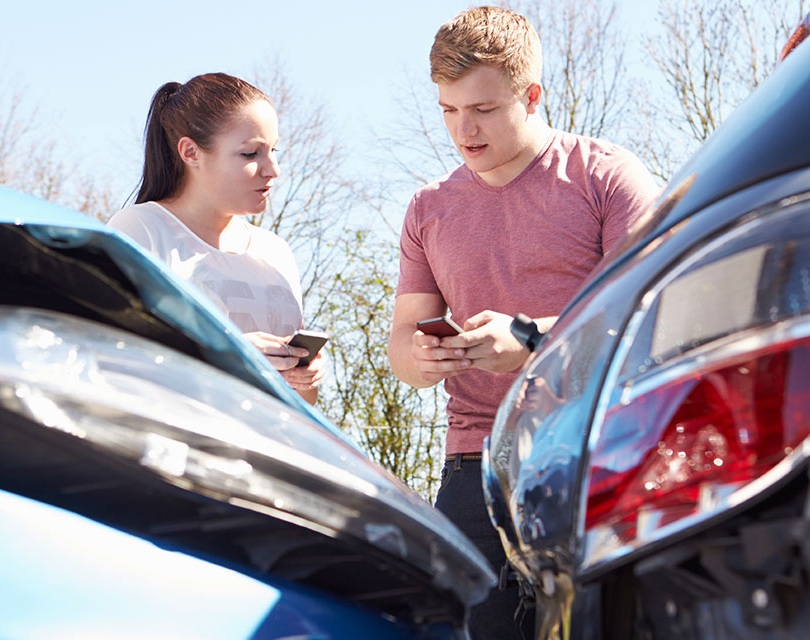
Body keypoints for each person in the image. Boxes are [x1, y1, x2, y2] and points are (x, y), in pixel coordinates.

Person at [387, 7, 661, 639]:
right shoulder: (427, 209)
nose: (463, 130)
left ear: (531, 95)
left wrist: (536, 339)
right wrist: (422, 360)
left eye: (481, 109)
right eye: (449, 111)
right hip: (474, 463)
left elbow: (649, 312)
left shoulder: (605, 175)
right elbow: (404, 346)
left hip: (599, 449)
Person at [108, 72, 324, 404]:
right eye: (251, 154)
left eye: (274, 150)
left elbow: (303, 403)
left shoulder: (276, 251)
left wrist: (305, 376)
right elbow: (112, 363)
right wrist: (228, 355)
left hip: (269, 450)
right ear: (190, 152)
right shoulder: (141, 230)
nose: (273, 169)